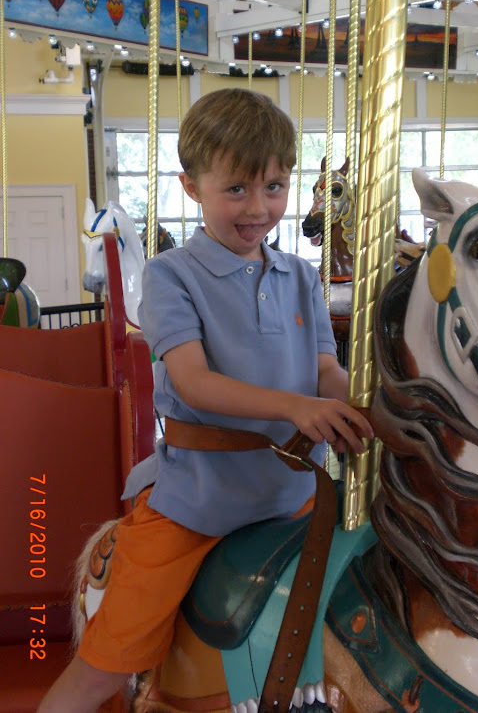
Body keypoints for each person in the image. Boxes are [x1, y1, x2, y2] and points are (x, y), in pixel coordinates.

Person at [38, 88, 373, 713]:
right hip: (201, 502)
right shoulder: (171, 276)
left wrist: (366, 403)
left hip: (300, 497)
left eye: (274, 187)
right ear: (193, 187)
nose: (259, 207)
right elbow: (192, 382)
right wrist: (296, 409)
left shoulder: (302, 275)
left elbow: (327, 370)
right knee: (107, 661)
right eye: (237, 189)